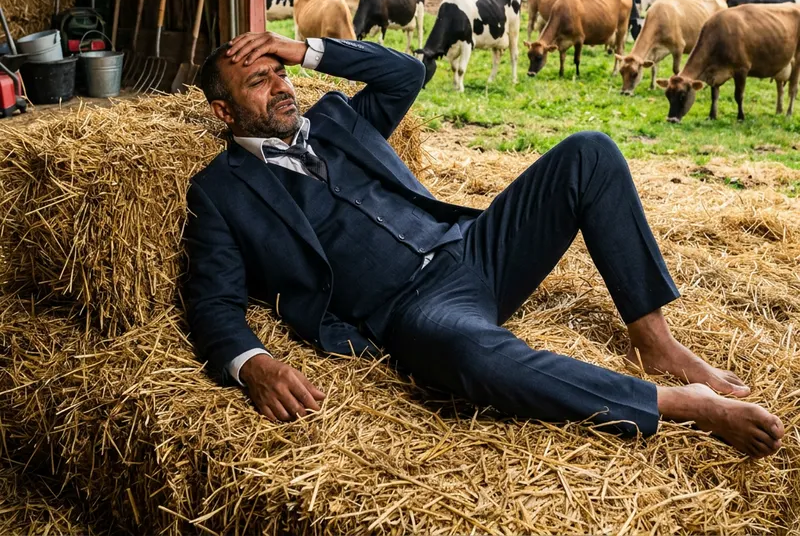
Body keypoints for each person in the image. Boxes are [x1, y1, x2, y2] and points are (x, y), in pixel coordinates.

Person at [184, 31, 784, 457]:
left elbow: (407, 73)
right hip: (415, 311)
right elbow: (214, 304)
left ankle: (656, 344)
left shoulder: (339, 117)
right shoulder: (220, 190)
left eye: (280, 72)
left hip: (475, 245)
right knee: (469, 359)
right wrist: (252, 364)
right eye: (258, 81)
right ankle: (682, 403)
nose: (281, 86)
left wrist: (303, 48)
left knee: (589, 151)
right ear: (224, 111)